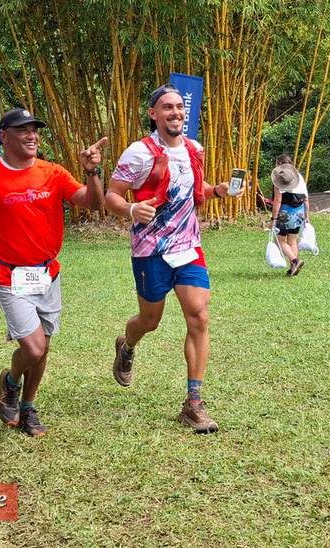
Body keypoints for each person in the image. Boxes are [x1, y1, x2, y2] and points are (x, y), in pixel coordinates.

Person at [0, 108, 107, 437]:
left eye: (34, 130)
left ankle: (28, 408)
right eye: (22, 130)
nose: (32, 136)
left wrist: (93, 172)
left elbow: (93, 203)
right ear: (4, 136)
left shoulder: (54, 173)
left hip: (47, 273)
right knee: (33, 348)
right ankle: (11, 381)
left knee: (43, 347)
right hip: (9, 274)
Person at [105, 83, 242, 434]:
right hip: (150, 249)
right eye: (167, 107)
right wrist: (132, 208)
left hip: (188, 247)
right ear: (153, 114)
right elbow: (111, 197)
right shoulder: (138, 152)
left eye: (179, 106)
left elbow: (196, 192)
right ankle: (127, 344)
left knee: (198, 315)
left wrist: (219, 190)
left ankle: (193, 403)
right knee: (149, 320)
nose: (175, 112)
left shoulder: (194, 148)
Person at [269, 155, 310, 275]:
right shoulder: (298, 177)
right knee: (292, 242)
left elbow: (277, 201)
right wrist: (307, 216)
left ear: (278, 164)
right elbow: (306, 199)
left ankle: (294, 261)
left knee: (280, 241)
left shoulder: (279, 179)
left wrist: (273, 219)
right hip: (299, 212)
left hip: (285, 214)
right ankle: (293, 268)